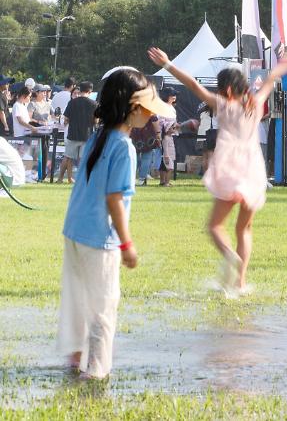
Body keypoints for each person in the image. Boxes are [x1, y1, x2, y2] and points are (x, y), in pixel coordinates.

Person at [148, 46, 287, 295]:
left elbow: (192, 85)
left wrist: (167, 64)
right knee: (244, 228)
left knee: (214, 227)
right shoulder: (256, 102)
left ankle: (231, 257)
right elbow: (274, 76)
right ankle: (240, 282)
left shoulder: (222, 104)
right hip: (253, 170)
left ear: (226, 90)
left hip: (230, 169)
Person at [56, 68, 175, 380]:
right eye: (147, 108)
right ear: (133, 108)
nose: (151, 115)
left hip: (75, 232)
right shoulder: (124, 146)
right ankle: (95, 371)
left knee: (79, 301)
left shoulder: (99, 136)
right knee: (103, 308)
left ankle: (75, 358)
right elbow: (114, 199)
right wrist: (127, 244)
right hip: (99, 238)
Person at [57, 81, 98, 184]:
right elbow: (96, 121)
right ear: (90, 91)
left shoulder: (72, 102)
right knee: (84, 159)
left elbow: (66, 119)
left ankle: (60, 178)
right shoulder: (94, 104)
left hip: (72, 134)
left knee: (67, 157)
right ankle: (83, 180)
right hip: (86, 135)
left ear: (80, 90)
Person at [130, 116, 160, 186]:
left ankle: (131, 178)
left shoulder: (134, 109)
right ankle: (142, 179)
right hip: (148, 136)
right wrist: (158, 134)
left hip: (135, 135)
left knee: (134, 158)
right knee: (146, 158)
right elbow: (155, 122)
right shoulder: (149, 110)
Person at [197, 101, 217, 174]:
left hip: (201, 137)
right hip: (211, 136)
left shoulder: (202, 114)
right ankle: (210, 175)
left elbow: (199, 124)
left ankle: (205, 175)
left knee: (205, 157)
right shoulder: (216, 113)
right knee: (211, 156)